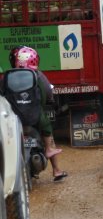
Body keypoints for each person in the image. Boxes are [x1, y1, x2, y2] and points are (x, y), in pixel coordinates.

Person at [10, 46, 68, 182]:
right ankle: (56, 169)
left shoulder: (10, 75)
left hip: (14, 117)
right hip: (34, 116)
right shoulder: (38, 75)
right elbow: (48, 92)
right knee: (48, 131)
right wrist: (51, 100)